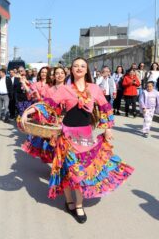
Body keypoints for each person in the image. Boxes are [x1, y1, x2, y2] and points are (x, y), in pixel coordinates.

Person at [20, 57, 133, 224]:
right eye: (75, 66)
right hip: (66, 135)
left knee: (81, 171)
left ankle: (79, 204)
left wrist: (108, 127)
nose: (79, 68)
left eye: (82, 66)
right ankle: (69, 201)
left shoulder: (94, 89)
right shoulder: (65, 89)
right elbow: (48, 105)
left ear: (87, 70)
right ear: (71, 70)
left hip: (85, 136)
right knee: (66, 170)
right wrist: (29, 112)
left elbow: (106, 108)